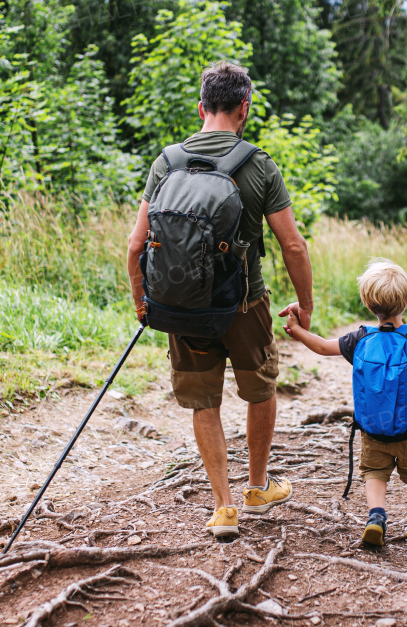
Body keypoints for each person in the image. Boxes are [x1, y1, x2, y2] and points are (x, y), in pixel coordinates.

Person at [126, 61, 314, 540]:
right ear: (244, 108)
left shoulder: (167, 162)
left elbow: (135, 245)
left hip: (182, 306)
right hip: (245, 305)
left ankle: (222, 506)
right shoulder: (258, 164)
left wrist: (141, 300)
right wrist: (305, 306)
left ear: (202, 106)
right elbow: (293, 245)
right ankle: (256, 488)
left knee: (203, 401)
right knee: (260, 388)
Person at [281, 259, 407, 545]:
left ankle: (376, 516)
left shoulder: (361, 338)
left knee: (374, 472)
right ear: (405, 300)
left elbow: (321, 346)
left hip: (372, 427)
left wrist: (297, 330)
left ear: (368, 304)